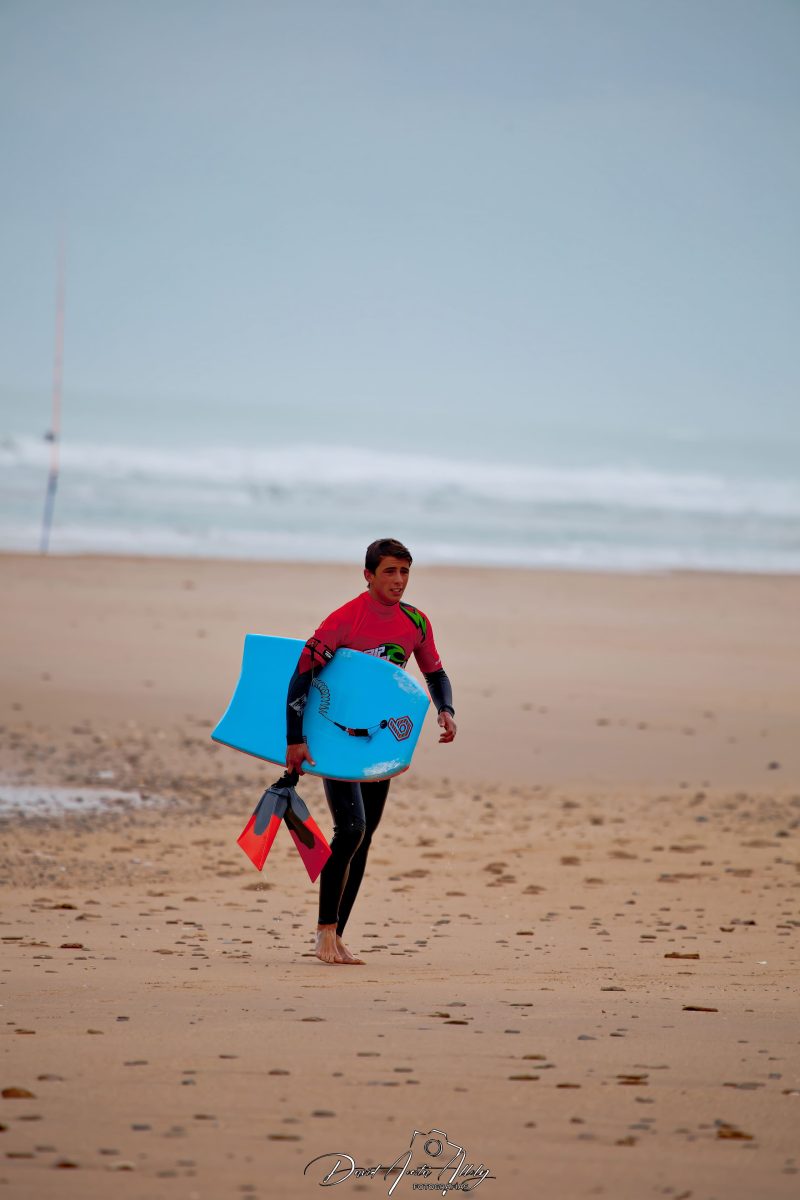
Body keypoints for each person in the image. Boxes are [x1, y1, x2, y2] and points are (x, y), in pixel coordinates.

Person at [285, 538, 457, 965]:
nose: (398, 581)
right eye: (389, 572)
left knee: (364, 839)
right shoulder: (345, 619)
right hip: (337, 735)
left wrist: (446, 709)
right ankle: (325, 933)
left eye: (404, 572)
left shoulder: (415, 621)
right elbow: (301, 675)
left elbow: (434, 671)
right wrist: (295, 738)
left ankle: (337, 935)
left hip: (379, 740)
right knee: (352, 829)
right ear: (368, 575)